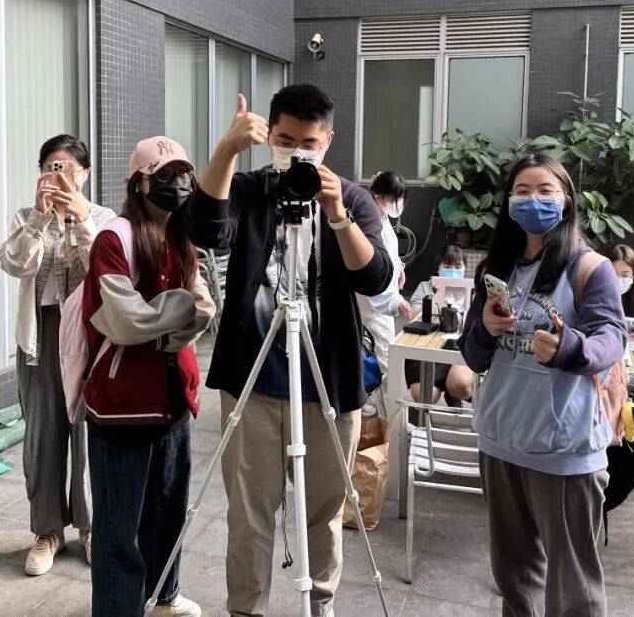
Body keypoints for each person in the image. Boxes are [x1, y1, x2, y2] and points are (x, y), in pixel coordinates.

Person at [186, 84, 393, 617]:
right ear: (268, 137)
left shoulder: (352, 197)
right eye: (284, 140)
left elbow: (375, 278)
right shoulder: (249, 188)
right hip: (252, 382)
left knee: (324, 513)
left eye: (308, 144)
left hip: (329, 384)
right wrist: (227, 150)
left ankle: (320, 605)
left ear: (328, 141)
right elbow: (204, 229)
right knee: (248, 515)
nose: (296, 153)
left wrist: (338, 214)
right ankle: (245, 610)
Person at [461, 153, 626, 617]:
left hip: (563, 449)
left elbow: (612, 338)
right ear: (509, 202)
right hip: (501, 440)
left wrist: (570, 348)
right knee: (513, 579)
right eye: (522, 191)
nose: (533, 200)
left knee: (574, 589)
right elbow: (473, 355)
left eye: (545, 191)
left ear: (567, 200)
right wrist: (485, 329)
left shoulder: (589, 268)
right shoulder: (496, 268)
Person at [81, 136, 215, 617]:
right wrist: (176, 318)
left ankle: (164, 597)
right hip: (122, 406)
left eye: (183, 174)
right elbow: (123, 320)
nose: (178, 184)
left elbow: (205, 307)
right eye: (164, 175)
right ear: (139, 183)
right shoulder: (113, 239)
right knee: (119, 529)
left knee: (168, 512)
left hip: (174, 399)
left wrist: (164, 321)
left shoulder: (181, 236)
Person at [0, 134, 114, 577]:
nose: (59, 175)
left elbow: (107, 267)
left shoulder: (103, 218)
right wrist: (40, 219)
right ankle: (47, 531)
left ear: (85, 174)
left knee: (87, 434)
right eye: (51, 167)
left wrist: (80, 218)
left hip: (88, 337)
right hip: (42, 337)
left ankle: (90, 526)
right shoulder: (26, 217)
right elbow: (14, 264)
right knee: (42, 437)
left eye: (68, 168)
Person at [355, 170, 412, 411]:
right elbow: (372, 269)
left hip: (381, 298)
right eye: (392, 199)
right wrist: (395, 301)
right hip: (376, 302)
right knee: (388, 362)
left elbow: (388, 253)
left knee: (381, 360)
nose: (397, 204)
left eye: (400, 199)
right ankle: (394, 422)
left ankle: (382, 413)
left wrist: (399, 267)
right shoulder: (368, 221)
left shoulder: (381, 216)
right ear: (377, 197)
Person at [405, 244, 474, 404]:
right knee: (424, 395)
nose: (453, 270)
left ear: (465, 268)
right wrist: (434, 300)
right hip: (427, 349)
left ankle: (455, 393)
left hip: (459, 349)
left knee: (460, 385)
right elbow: (412, 317)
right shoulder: (425, 287)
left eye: (458, 267)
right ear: (438, 267)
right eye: (447, 267)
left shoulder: (472, 290)